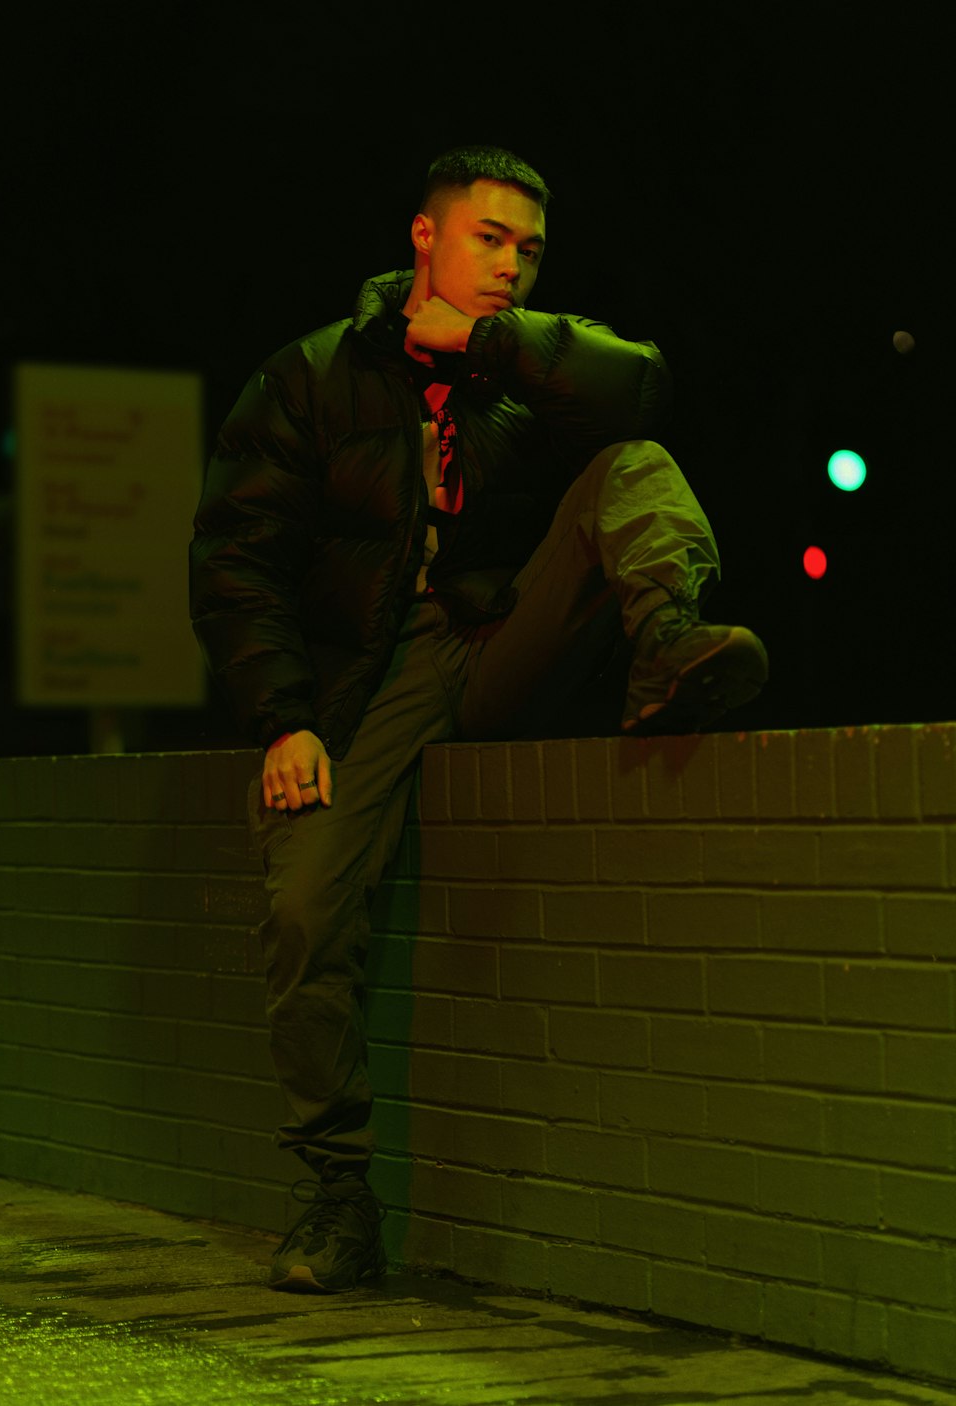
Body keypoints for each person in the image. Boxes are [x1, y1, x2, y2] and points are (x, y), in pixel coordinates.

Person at [189, 145, 767, 1294]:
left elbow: (643, 389)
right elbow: (237, 561)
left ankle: (665, 647)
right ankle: (337, 1199)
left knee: (634, 466)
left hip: (501, 640)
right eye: (489, 240)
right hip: (368, 678)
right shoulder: (313, 377)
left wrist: (492, 346)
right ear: (425, 237)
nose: (511, 266)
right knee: (304, 906)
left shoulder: (529, 366)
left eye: (530, 249)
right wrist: (283, 719)